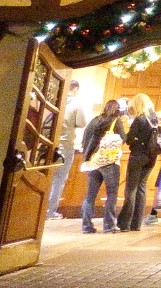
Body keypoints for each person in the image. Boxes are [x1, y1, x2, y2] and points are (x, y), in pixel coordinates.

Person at [79, 98, 127, 234]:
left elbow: (85, 139)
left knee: (90, 195)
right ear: (117, 109)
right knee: (111, 194)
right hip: (109, 162)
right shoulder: (116, 121)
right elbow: (123, 139)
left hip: (93, 161)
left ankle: (86, 225)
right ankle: (109, 225)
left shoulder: (94, 120)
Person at [118, 93, 161, 232]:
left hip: (138, 156)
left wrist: (131, 137)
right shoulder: (155, 119)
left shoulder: (140, 119)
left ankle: (125, 223)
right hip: (151, 157)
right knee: (142, 188)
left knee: (131, 189)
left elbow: (129, 139)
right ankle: (136, 224)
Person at [49, 80, 85, 219]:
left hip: (49, 143)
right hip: (65, 145)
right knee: (59, 179)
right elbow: (81, 123)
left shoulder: (55, 101)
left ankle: (40, 207)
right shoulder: (76, 104)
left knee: (47, 176)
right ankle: (49, 211)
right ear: (75, 89)